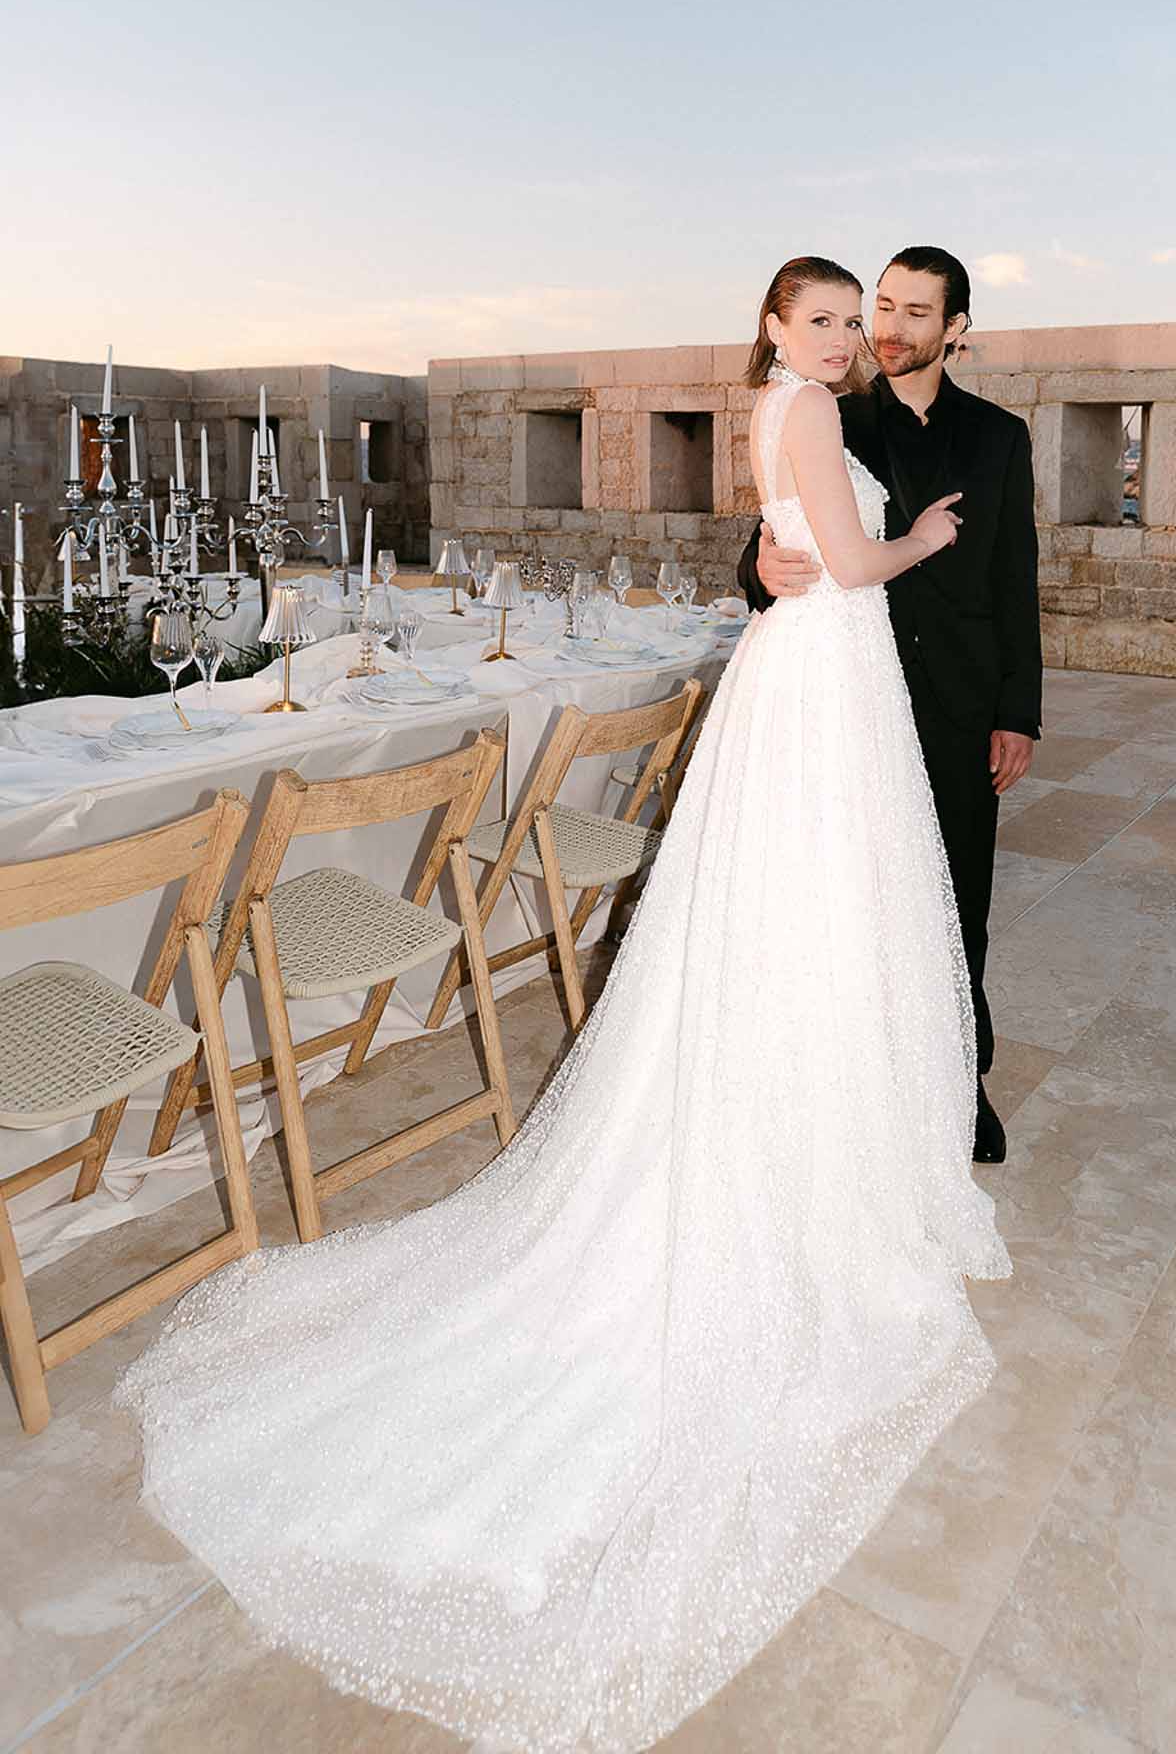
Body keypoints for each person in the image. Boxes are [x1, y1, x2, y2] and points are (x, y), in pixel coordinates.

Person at [116, 255, 1009, 1754]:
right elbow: (837, 561)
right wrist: (906, 538)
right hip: (826, 665)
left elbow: (786, 536)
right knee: (805, 905)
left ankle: (825, 1114)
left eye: (863, 319)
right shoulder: (798, 406)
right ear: (776, 329)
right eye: (826, 317)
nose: (848, 337)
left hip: (819, 681)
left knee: (819, 910)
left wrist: (813, 551)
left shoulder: (787, 407)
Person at [739, 246, 1043, 1165]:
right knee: (855, 902)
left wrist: (1017, 710)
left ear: (955, 329)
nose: (887, 328)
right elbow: (775, 534)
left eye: (916, 312)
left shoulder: (999, 436)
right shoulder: (830, 408)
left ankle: (963, 1079)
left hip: (955, 703)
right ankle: (864, 1080)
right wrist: (754, 571)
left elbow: (1015, 574)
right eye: (882, 306)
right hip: (849, 699)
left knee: (957, 899)